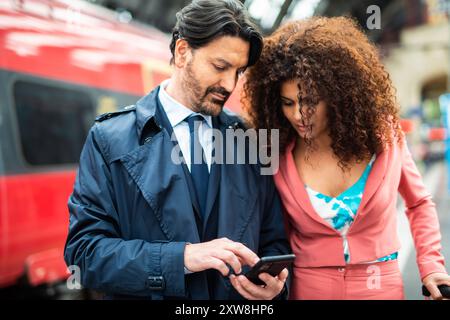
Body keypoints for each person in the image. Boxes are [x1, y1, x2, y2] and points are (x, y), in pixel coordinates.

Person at [64, 0, 290, 300]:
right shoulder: (108, 138)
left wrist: (277, 287)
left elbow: (274, 242)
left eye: (239, 72)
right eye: (220, 67)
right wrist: (180, 259)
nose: (229, 84)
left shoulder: (250, 142)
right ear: (183, 52)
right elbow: (84, 253)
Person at [244, 17, 450, 300]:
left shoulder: (385, 139)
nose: (298, 115)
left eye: (310, 100)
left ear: (338, 95)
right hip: (307, 290)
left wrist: (431, 266)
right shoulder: (276, 154)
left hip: (381, 287)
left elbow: (418, 202)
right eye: (288, 102)